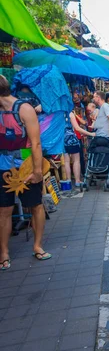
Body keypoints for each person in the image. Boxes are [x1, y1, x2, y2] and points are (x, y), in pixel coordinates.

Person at [0, 75, 50, 270]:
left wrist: (37, 171)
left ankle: (37, 245)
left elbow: (36, 142)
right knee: (3, 210)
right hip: (3, 167)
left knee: (35, 205)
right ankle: (3, 251)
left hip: (26, 166)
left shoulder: (24, 109)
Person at [64, 107, 95, 187]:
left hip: (61, 139)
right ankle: (77, 180)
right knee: (76, 161)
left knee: (66, 161)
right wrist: (91, 134)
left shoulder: (58, 114)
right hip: (71, 139)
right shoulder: (70, 114)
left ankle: (68, 180)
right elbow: (77, 128)